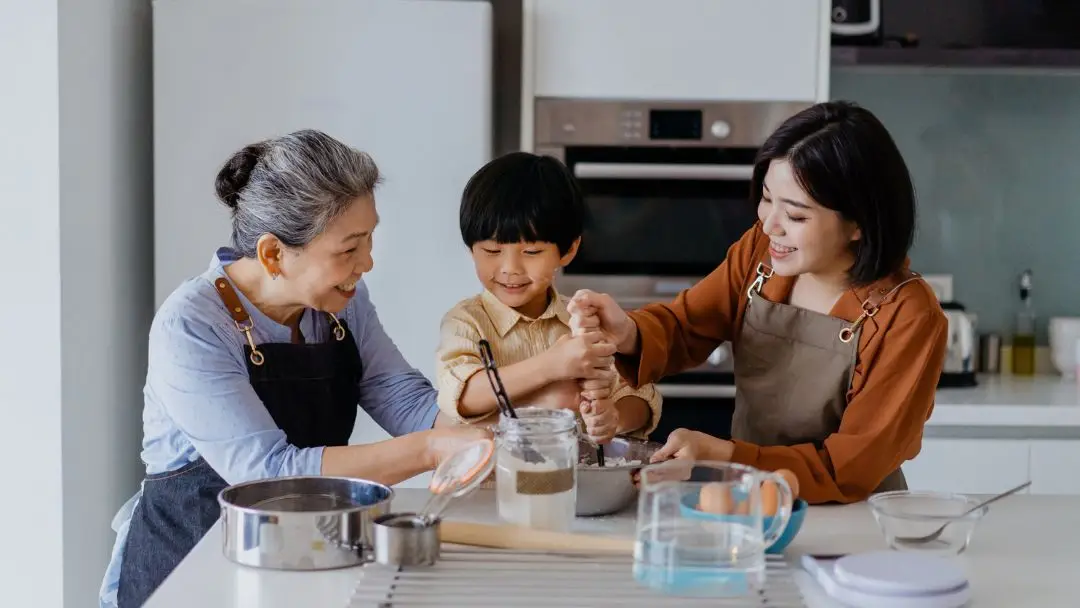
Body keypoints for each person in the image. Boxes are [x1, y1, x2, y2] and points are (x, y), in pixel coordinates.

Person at [100, 130, 489, 608]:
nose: (366, 263)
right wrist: (432, 448)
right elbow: (268, 477)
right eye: (348, 249)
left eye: (369, 240)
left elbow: (399, 395)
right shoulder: (192, 325)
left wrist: (492, 440)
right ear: (272, 253)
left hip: (301, 560)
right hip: (189, 574)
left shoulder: (342, 302)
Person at [568, 101, 948, 504]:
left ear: (858, 223)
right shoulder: (762, 253)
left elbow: (849, 467)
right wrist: (626, 330)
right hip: (752, 502)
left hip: (851, 519)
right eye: (767, 199)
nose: (769, 225)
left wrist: (723, 453)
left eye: (797, 216)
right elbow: (686, 325)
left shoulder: (908, 315)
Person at [435, 152, 661, 442]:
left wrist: (613, 417)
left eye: (531, 252)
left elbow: (642, 396)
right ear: (471, 250)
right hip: (492, 482)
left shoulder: (583, 318)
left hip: (574, 480)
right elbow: (462, 395)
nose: (510, 269)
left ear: (568, 250)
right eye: (492, 251)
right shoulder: (465, 322)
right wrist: (552, 366)